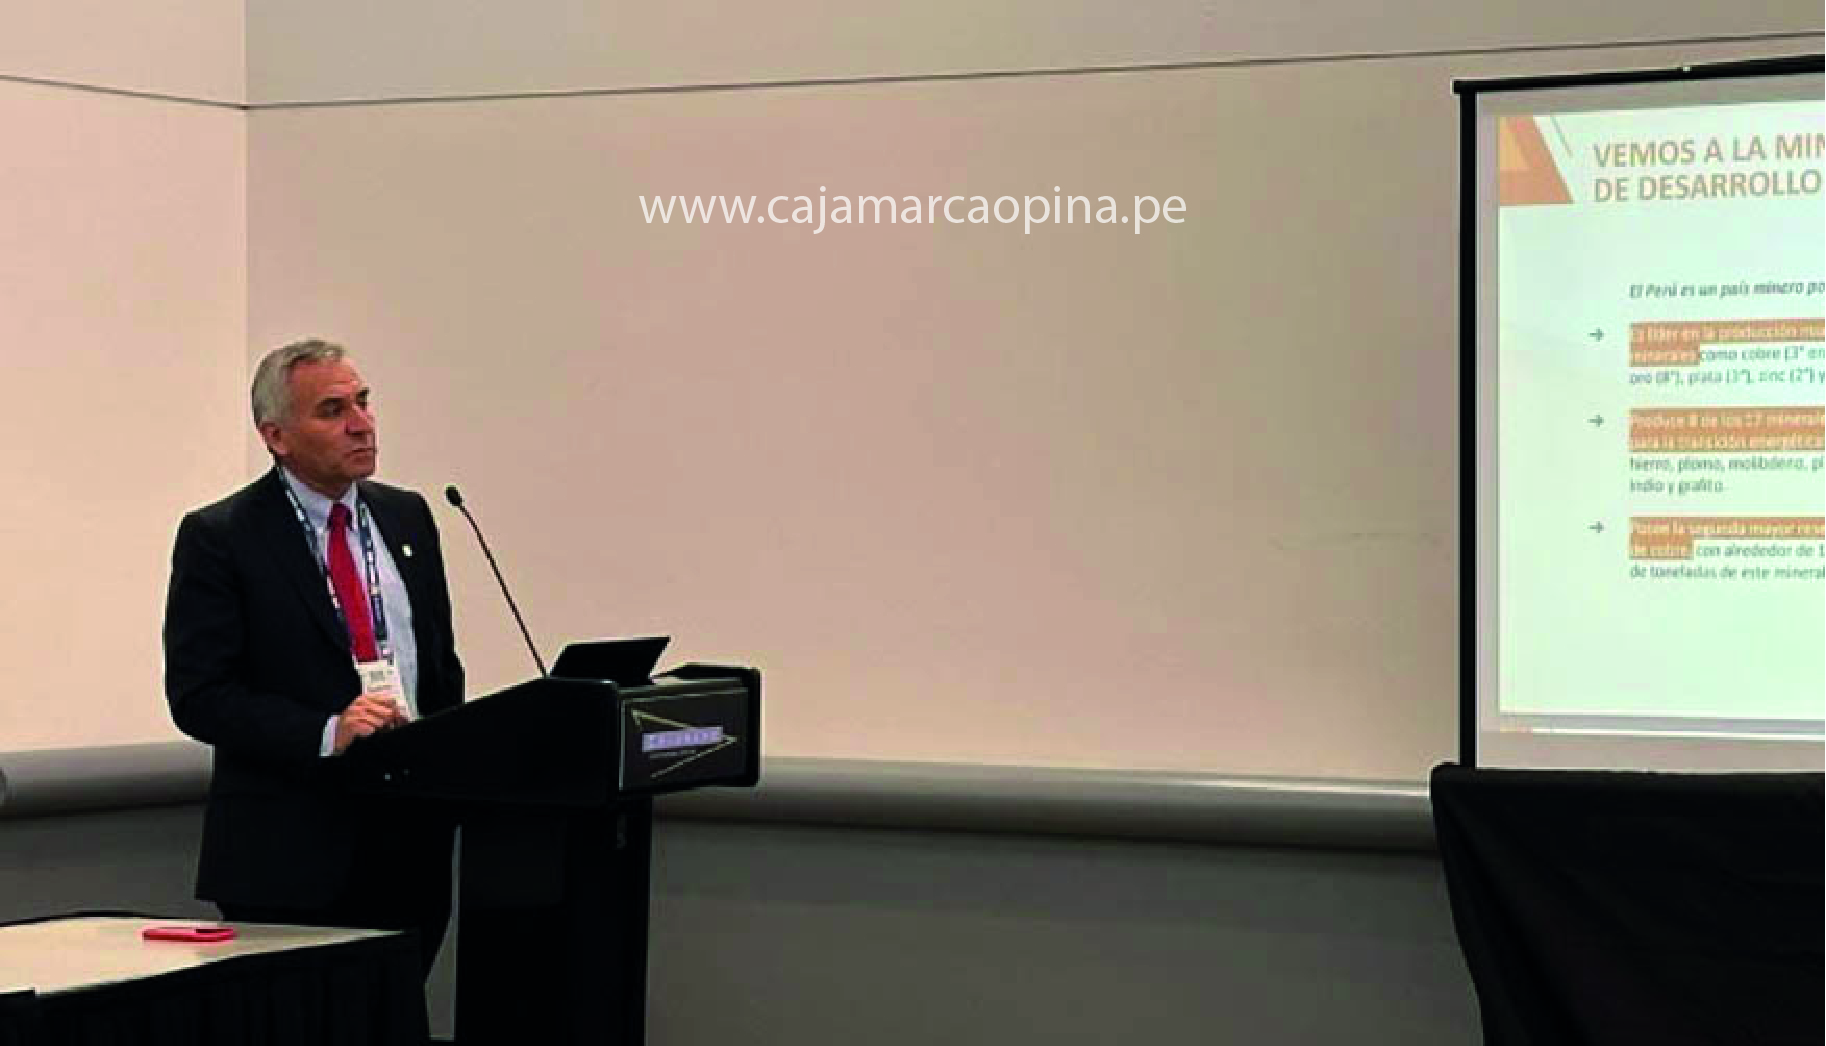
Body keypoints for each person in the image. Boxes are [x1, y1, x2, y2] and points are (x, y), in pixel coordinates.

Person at [162, 338, 464, 977]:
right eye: (332, 410)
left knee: (396, 1016)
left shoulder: (408, 518)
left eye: (363, 402)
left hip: (410, 845)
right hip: (289, 855)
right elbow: (199, 695)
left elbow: (440, 669)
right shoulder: (223, 537)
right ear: (276, 436)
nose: (361, 423)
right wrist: (326, 731)